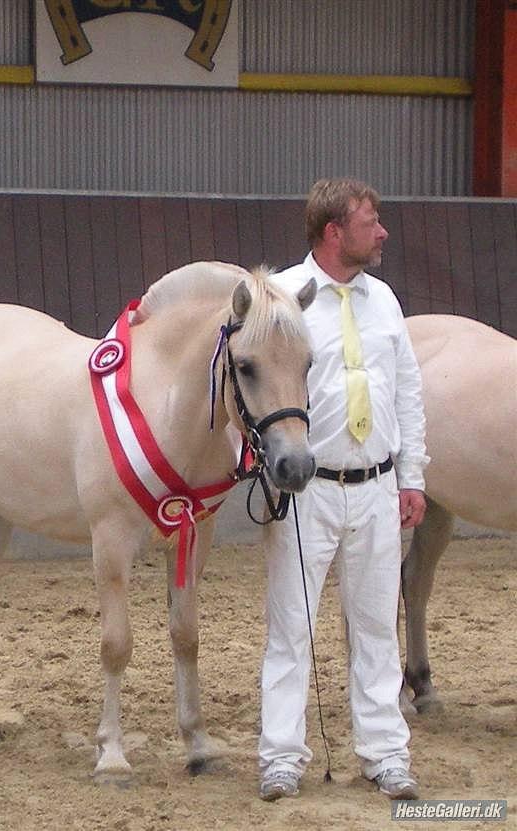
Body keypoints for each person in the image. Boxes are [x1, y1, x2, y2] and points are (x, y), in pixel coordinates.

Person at [259, 178, 429, 802]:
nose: (381, 231)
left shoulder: (384, 300)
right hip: (310, 491)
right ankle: (281, 756)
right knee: (292, 626)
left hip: (378, 486)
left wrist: (412, 476)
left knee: (377, 627)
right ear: (334, 231)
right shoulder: (281, 299)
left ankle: (385, 753)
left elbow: (407, 391)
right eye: (369, 221)